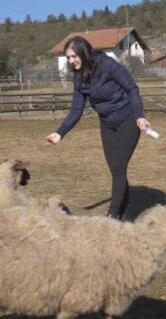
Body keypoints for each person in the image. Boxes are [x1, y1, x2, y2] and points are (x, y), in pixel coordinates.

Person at [46, 36, 151, 221]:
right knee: (116, 171)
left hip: (128, 119)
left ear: (83, 53)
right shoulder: (79, 77)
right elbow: (76, 110)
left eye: (73, 56)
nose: (70, 61)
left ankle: (111, 216)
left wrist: (140, 115)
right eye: (68, 58)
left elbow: (132, 88)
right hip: (107, 123)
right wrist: (59, 132)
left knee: (118, 168)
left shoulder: (107, 65)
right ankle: (123, 215)